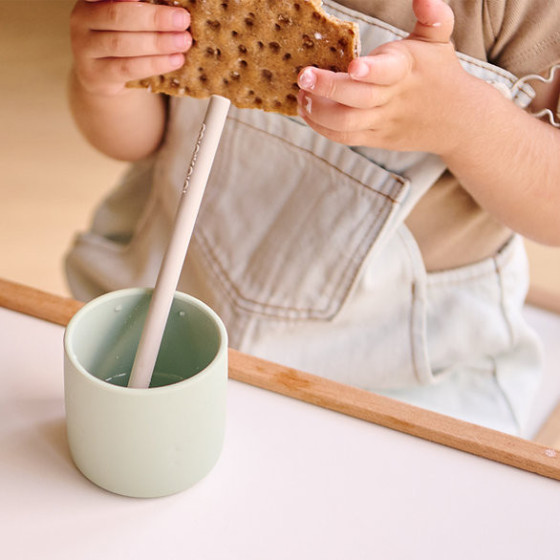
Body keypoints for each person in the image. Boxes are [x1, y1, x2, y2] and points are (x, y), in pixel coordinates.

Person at [66, 0, 560, 435]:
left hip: (401, 383)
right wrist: (107, 79)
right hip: (168, 304)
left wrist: (466, 122)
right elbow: (141, 137)